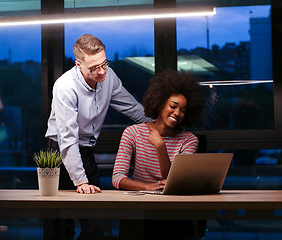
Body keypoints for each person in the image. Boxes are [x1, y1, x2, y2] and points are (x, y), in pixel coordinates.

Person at [45, 34, 149, 239]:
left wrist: (159, 124)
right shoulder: (65, 86)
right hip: (58, 155)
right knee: (61, 228)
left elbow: (132, 108)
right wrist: (81, 181)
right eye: (94, 68)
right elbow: (68, 139)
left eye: (104, 63)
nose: (101, 71)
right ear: (78, 64)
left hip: (86, 152)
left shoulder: (108, 76)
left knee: (95, 228)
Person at [112, 69, 205, 240]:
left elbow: (174, 182)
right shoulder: (132, 133)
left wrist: (160, 146)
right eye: (173, 106)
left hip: (175, 211)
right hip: (140, 210)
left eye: (183, 110)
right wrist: (147, 187)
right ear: (160, 103)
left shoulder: (189, 140)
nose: (177, 113)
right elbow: (118, 178)